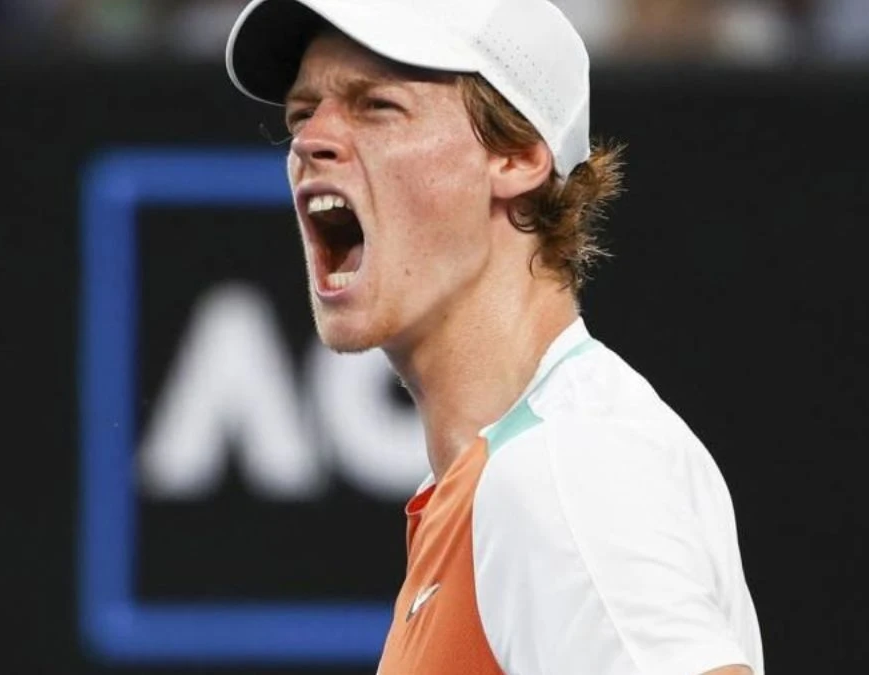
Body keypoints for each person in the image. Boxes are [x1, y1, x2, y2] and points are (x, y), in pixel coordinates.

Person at [225, 0, 764, 673]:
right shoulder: (502, 473)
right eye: (302, 114)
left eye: (377, 107)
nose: (310, 141)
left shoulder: (561, 466)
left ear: (517, 155)